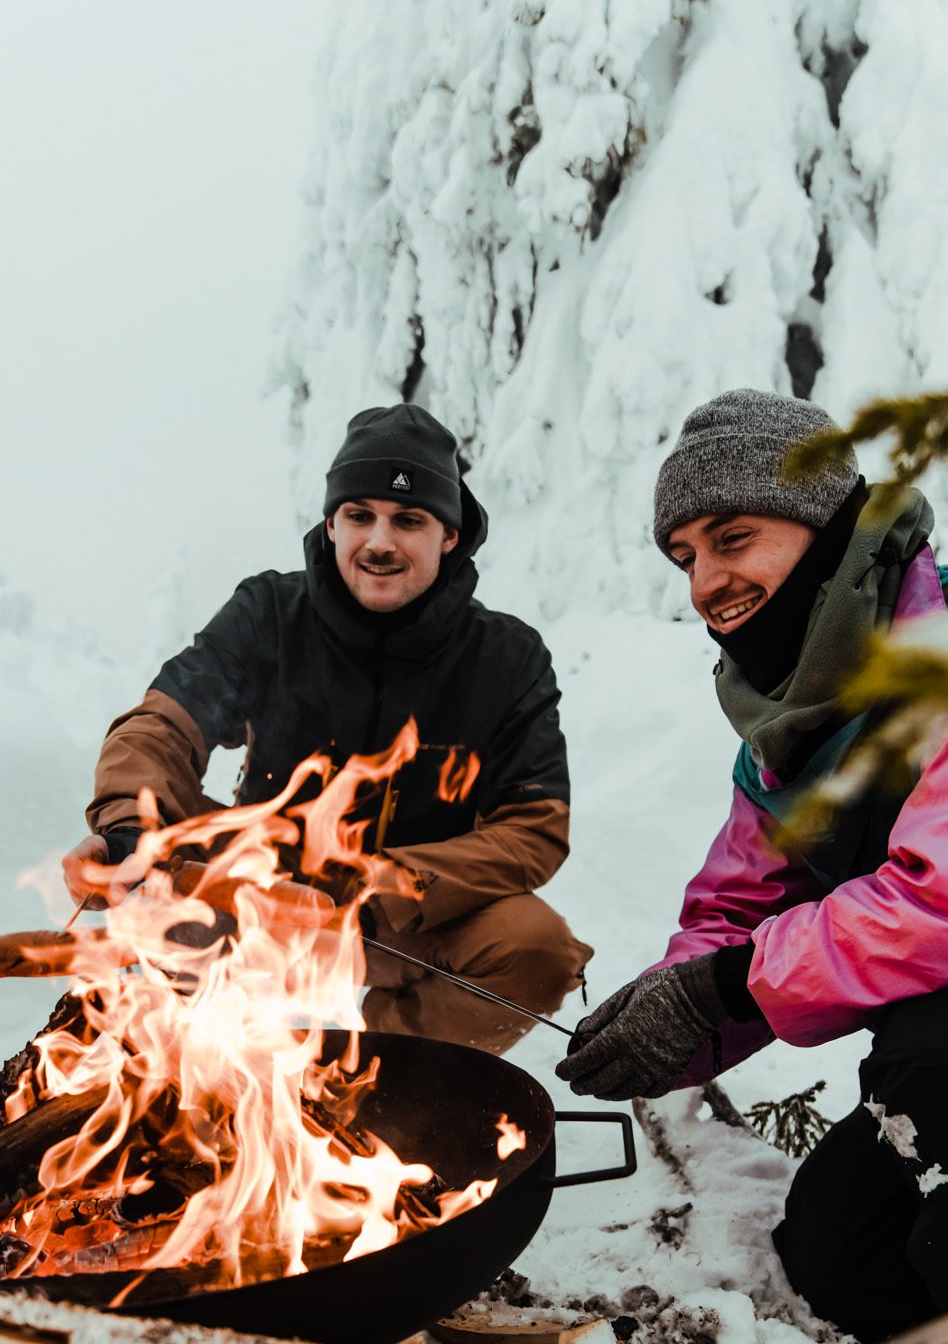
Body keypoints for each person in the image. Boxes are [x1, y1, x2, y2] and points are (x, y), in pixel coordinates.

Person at [556, 387, 948, 1344]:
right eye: (682, 555)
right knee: (838, 1252)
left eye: (733, 537)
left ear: (829, 531)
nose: (707, 579)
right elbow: (736, 914)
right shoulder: (787, 735)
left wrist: (725, 988)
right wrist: (674, 1016)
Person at [63, 402, 591, 1053]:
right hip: (258, 896)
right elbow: (160, 729)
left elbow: (532, 833)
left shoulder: (507, 658)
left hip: (408, 914)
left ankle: (378, 1087)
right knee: (166, 871)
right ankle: (201, 1077)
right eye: (360, 516)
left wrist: (368, 890)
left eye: (408, 520)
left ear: (448, 535)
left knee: (533, 947)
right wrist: (125, 833)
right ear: (331, 523)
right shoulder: (268, 615)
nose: (379, 541)